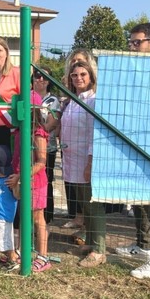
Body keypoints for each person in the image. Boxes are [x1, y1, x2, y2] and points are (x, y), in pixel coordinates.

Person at [116, 23, 150, 279]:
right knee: (139, 200)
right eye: (131, 42)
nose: (132, 47)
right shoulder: (133, 74)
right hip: (135, 146)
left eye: (137, 42)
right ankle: (144, 246)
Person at [60, 61, 107, 268]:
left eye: (82, 75)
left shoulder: (94, 101)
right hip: (71, 160)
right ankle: (89, 242)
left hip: (85, 160)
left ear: (91, 77)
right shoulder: (72, 101)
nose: (78, 78)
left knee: (93, 205)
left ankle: (99, 250)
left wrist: (90, 161)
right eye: (74, 75)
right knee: (84, 205)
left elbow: (94, 136)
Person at [10, 91, 52, 272]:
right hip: (22, 181)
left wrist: (21, 176)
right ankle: (22, 250)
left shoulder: (38, 132)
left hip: (35, 182)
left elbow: (41, 162)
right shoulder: (20, 130)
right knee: (23, 216)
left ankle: (43, 256)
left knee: (37, 218)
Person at [33, 67, 61, 225]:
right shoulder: (27, 95)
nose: (40, 79)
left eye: (44, 76)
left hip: (46, 147)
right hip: (26, 148)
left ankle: (46, 217)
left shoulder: (53, 101)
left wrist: (34, 129)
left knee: (45, 182)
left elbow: (50, 125)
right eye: (37, 75)